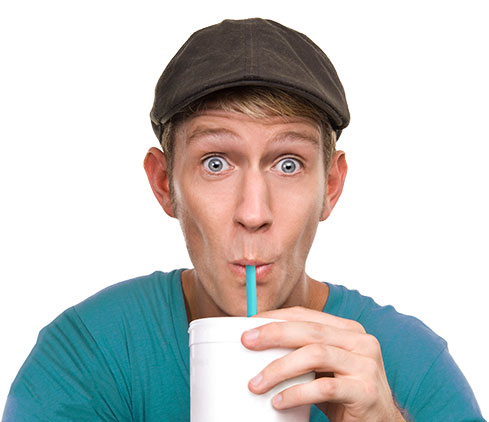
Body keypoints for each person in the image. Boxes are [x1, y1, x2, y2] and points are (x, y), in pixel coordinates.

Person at [3, 18, 485, 422]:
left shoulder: (412, 367)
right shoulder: (89, 354)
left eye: (288, 163)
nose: (253, 213)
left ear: (331, 187)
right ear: (164, 183)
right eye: (216, 162)